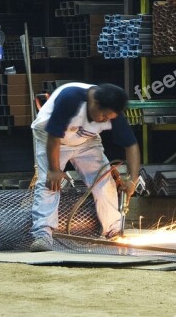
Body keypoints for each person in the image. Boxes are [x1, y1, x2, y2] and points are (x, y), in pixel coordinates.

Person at [29, 82, 140, 251]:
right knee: (49, 183)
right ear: (95, 104)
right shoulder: (70, 98)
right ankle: (42, 234)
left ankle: (113, 228)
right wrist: (54, 169)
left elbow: (131, 145)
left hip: (86, 140)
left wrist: (132, 179)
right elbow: (54, 136)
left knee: (103, 181)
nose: (105, 121)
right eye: (103, 116)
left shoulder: (111, 110)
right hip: (51, 137)